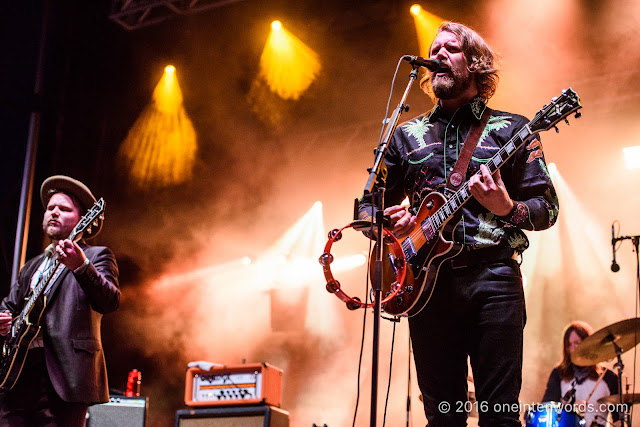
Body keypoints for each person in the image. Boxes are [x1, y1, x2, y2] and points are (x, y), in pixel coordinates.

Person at [358, 22, 559, 426]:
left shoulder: (514, 129)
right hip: (426, 288)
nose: (440, 55)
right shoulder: (405, 136)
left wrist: (506, 208)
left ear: (477, 63)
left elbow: (548, 208)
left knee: (498, 415)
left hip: (494, 279)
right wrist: (386, 225)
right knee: (442, 416)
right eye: (435, 49)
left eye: (452, 47)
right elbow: (366, 206)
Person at [0, 175, 120, 426]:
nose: (53, 212)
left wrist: (81, 267)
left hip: (65, 374)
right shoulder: (31, 266)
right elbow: (9, 306)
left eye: (63, 209)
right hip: (18, 374)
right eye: (50, 208)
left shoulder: (96, 256)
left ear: (83, 219)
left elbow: (109, 301)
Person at [541, 321, 621, 427]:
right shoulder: (559, 374)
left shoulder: (608, 376)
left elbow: (618, 419)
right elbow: (546, 410)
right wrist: (569, 408)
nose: (573, 349)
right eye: (569, 345)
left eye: (577, 343)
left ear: (588, 344)